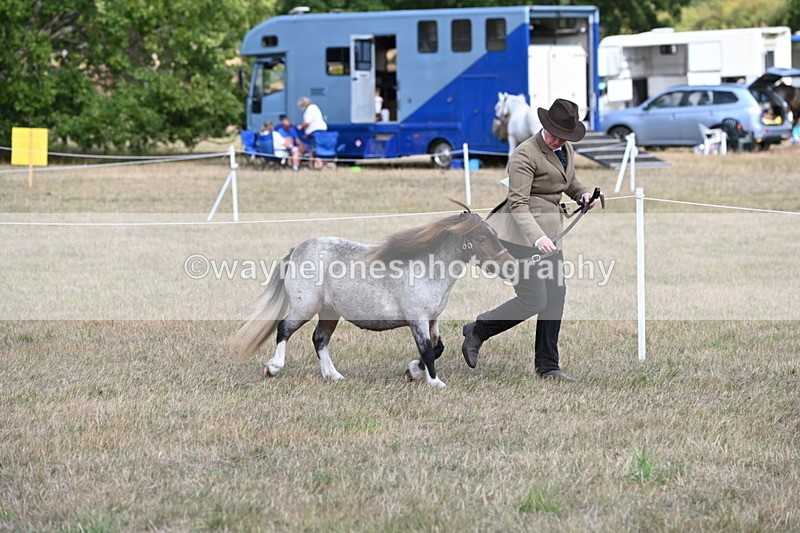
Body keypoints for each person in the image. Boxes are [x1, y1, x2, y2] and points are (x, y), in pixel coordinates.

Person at [461, 98, 600, 383]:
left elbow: (568, 180)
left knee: (555, 298)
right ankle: (478, 330)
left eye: (563, 136)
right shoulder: (525, 154)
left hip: (551, 238)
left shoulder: (565, 149)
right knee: (534, 299)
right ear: (544, 125)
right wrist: (537, 239)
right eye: (553, 133)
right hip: (519, 239)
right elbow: (517, 204)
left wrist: (583, 194)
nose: (557, 140)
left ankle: (548, 366)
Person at [296, 97, 328, 170]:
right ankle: (316, 164)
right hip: (318, 131)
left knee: (314, 149)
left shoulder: (310, 109)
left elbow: (308, 122)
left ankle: (316, 165)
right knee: (317, 148)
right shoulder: (314, 108)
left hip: (316, 132)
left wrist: (301, 127)